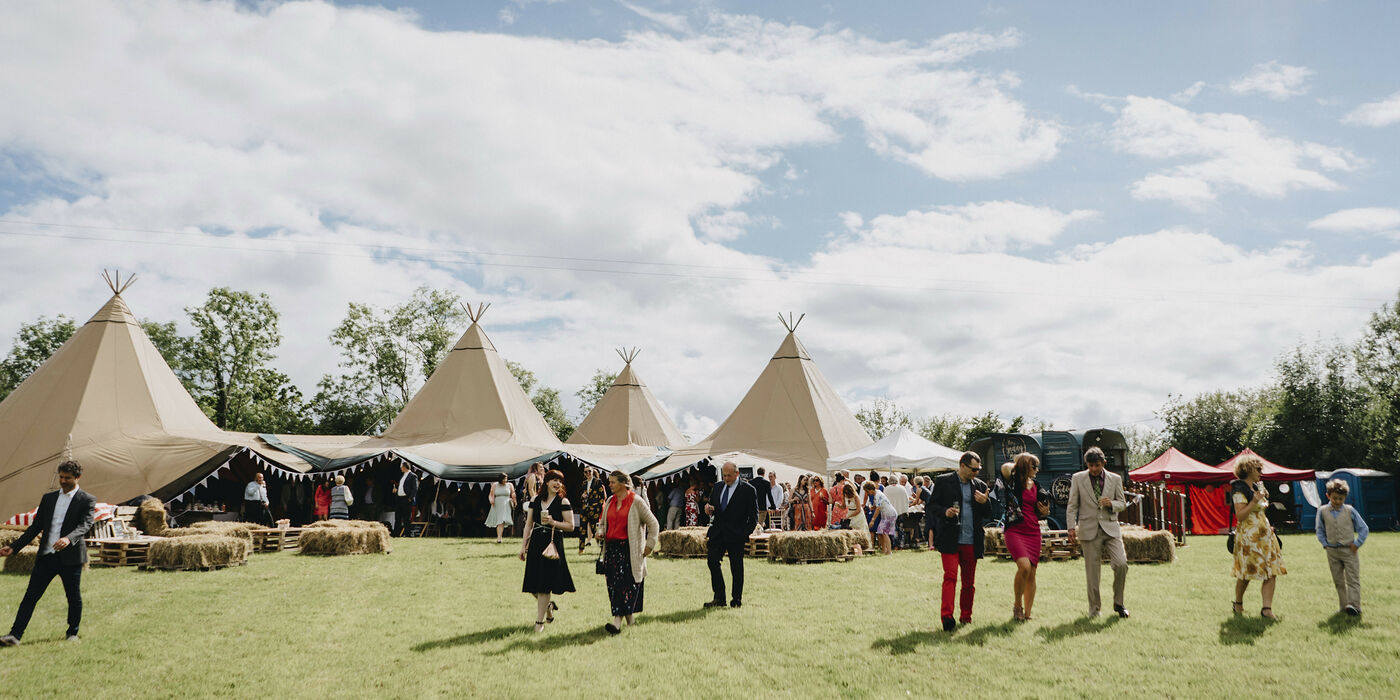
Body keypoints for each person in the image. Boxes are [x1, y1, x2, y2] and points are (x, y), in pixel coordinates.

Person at [0, 461, 96, 646]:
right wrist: (14, 547)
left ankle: (72, 633)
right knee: (30, 596)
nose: (63, 481)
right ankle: (14, 635)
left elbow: (85, 525)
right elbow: (35, 527)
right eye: (61, 477)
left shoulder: (87, 499)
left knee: (73, 597)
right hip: (46, 557)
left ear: (77, 477)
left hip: (71, 558)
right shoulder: (49, 498)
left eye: (67, 478)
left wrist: (68, 538)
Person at [1066, 447, 1131, 619]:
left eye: (1097, 465)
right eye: (1090, 465)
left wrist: (1112, 504)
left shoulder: (1115, 479)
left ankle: (1119, 603)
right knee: (1092, 574)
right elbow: (1072, 505)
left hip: (1111, 528)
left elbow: (1122, 503)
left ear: (1104, 463)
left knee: (1121, 564)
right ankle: (1094, 610)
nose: (1094, 469)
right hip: (1088, 530)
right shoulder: (1078, 478)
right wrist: (1071, 528)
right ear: (1086, 464)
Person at [932, 451, 991, 631]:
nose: (976, 473)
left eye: (978, 470)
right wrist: (945, 512)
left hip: (971, 540)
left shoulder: (979, 485)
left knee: (969, 583)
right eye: (973, 469)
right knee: (950, 577)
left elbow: (988, 514)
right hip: (950, 538)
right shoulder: (943, 481)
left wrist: (984, 502)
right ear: (962, 465)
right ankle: (947, 617)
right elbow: (932, 506)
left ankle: (966, 616)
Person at [599, 470, 660, 634]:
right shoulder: (610, 501)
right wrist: (600, 531)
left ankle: (616, 623)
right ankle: (631, 623)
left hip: (629, 551)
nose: (609, 485)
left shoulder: (636, 502)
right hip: (611, 550)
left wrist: (649, 545)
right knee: (614, 586)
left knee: (625, 586)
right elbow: (602, 523)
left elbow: (654, 524)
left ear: (623, 484)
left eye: (612, 482)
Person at [1227, 454, 1285, 619]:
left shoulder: (1256, 487)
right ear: (1247, 469)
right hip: (1249, 538)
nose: (1261, 472)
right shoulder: (1239, 490)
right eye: (1258, 469)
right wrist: (1253, 502)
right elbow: (1240, 515)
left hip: (1265, 536)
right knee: (1246, 574)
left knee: (1271, 571)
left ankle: (1267, 609)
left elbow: (1261, 510)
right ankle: (1238, 603)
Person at [520, 469, 576, 633]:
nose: (558, 484)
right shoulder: (535, 500)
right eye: (554, 480)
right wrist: (523, 546)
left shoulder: (563, 502)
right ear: (546, 482)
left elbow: (571, 526)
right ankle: (548, 606)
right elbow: (528, 525)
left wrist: (553, 522)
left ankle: (539, 622)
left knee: (544, 585)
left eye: (560, 481)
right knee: (533, 584)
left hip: (552, 544)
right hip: (536, 543)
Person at [1001, 454, 1050, 622]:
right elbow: (1005, 468)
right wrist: (1021, 461)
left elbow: (1044, 508)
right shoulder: (1012, 482)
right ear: (1025, 467)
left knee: (1032, 574)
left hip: (1033, 531)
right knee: (1024, 567)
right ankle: (1017, 606)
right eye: (1034, 466)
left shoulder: (1037, 485)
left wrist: (1045, 511)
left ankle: (1028, 614)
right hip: (1015, 530)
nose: (1037, 469)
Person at [704, 461, 758, 608]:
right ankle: (719, 598)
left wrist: (743, 534)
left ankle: (736, 600)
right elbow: (712, 505)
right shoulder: (718, 486)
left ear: (737, 473)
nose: (726, 478)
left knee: (736, 568)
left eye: (729, 475)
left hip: (736, 535)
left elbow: (753, 517)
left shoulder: (748, 490)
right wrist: (708, 508)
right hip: (718, 533)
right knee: (712, 561)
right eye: (724, 475)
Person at [1315, 478, 1367, 616]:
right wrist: (1324, 543)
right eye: (1335, 498)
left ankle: (1355, 606)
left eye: (1341, 499)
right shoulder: (1322, 511)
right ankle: (1344, 606)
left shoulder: (1350, 511)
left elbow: (1363, 528)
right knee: (1338, 580)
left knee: (1353, 579)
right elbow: (1319, 529)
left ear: (1345, 498)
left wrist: (1357, 543)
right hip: (1332, 551)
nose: (1337, 501)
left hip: (1349, 550)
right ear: (1328, 496)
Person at [863, 482, 897, 555]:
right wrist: (872, 507)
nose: (867, 493)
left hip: (889, 514)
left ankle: (889, 551)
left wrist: (872, 520)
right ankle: (884, 550)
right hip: (886, 514)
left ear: (870, 490)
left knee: (885, 533)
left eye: (867, 491)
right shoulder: (877, 493)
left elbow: (878, 509)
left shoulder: (878, 495)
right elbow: (878, 505)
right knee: (880, 532)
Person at [578, 468, 606, 553]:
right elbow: (583, 496)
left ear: (592, 472)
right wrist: (582, 496)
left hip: (594, 509)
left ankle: (602, 547)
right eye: (586, 472)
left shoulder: (598, 482)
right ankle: (581, 549)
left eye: (589, 471)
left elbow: (602, 497)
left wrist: (598, 507)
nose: (588, 473)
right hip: (585, 508)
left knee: (595, 530)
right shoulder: (584, 483)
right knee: (582, 528)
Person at [485, 472, 517, 543]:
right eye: (504, 479)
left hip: (506, 504)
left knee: (502, 520)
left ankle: (499, 537)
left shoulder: (510, 485)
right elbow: (491, 494)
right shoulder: (495, 485)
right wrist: (491, 500)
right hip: (497, 504)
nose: (505, 480)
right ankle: (499, 537)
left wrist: (514, 501)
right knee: (500, 520)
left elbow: (513, 493)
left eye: (506, 479)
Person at [391, 464, 418, 537]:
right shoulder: (403, 476)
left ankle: (407, 534)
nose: (400, 468)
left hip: (406, 499)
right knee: (398, 517)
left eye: (401, 467)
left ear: (405, 467)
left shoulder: (413, 475)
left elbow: (415, 488)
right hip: (399, 498)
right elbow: (402, 487)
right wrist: (396, 490)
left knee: (406, 518)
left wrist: (410, 498)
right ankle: (396, 534)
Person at [884, 474, 910, 548]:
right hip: (901, 511)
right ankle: (901, 544)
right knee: (900, 528)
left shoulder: (886, 489)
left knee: (893, 529)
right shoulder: (902, 488)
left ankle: (895, 545)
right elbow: (907, 499)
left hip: (891, 512)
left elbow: (885, 501)